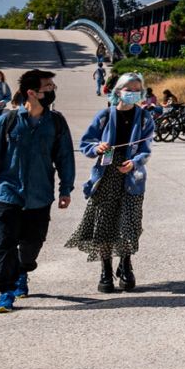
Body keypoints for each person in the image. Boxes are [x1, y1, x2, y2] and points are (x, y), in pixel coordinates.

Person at [0, 69, 75, 313]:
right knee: (4, 244)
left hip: (40, 195)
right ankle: (6, 292)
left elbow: (65, 157)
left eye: (52, 86)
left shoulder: (56, 122)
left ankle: (23, 269)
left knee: (32, 243)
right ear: (32, 92)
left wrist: (66, 189)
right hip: (9, 193)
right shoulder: (6, 121)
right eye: (48, 87)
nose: (52, 90)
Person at [66, 73, 156, 292]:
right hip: (106, 175)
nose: (133, 93)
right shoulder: (105, 115)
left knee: (129, 223)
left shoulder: (145, 118)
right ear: (118, 91)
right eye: (129, 89)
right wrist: (97, 148)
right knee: (104, 224)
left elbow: (146, 149)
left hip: (131, 176)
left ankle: (125, 265)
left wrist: (134, 163)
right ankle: (106, 269)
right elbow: (87, 142)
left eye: (137, 89)